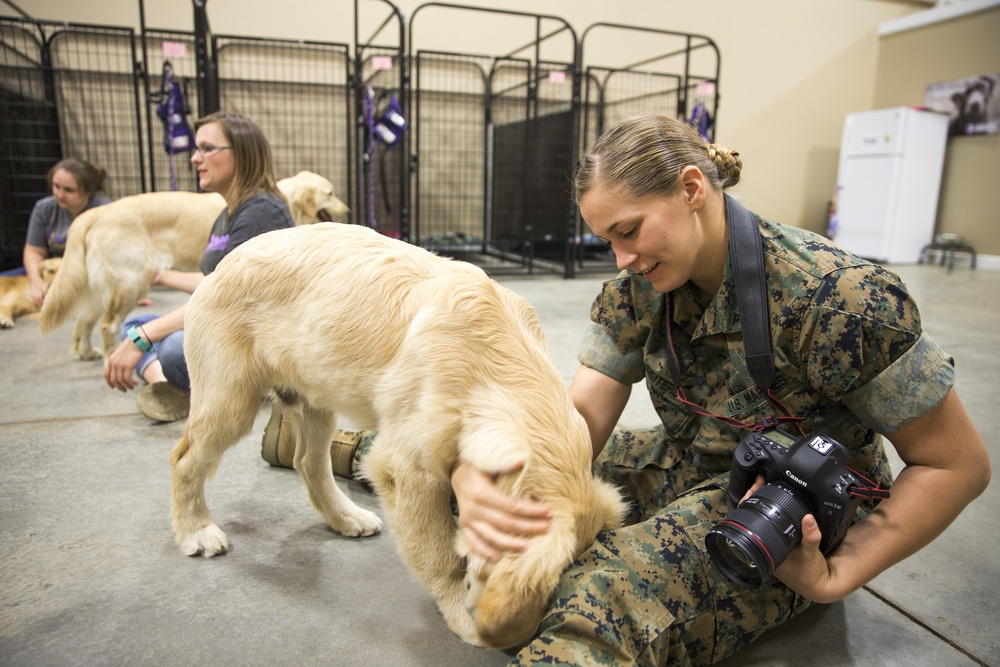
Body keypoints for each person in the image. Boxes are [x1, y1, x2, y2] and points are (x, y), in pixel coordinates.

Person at [263, 113, 990, 665]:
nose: (621, 257)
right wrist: (475, 469)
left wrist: (838, 573)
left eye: (631, 230)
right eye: (606, 239)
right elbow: (578, 422)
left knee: (595, 597)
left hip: (777, 509)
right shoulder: (637, 291)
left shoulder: (840, 300)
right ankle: (343, 446)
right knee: (495, 500)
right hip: (691, 457)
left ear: (692, 189)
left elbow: (956, 464)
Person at [104, 111, 294, 423]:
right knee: (135, 324)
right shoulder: (229, 212)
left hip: (258, 343)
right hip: (227, 324)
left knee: (172, 348)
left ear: (241, 154)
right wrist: (160, 275)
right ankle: (168, 386)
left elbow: (225, 298)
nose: (195, 158)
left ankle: (194, 386)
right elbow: (212, 280)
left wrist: (143, 339)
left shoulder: (262, 211)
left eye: (206, 148)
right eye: (196, 149)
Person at [1, 158, 110, 304]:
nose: (59, 194)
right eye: (56, 186)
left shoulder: (105, 211)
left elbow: (113, 257)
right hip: (50, 273)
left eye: (68, 190)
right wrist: (36, 282)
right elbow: (34, 251)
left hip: (88, 277)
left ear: (88, 192)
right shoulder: (44, 208)